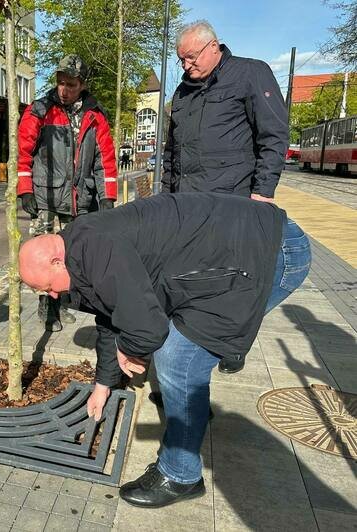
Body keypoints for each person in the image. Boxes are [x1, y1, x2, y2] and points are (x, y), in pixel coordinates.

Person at [18, 193, 310, 508]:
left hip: (270, 252)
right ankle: (192, 406)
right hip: (235, 249)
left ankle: (181, 476)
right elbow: (111, 316)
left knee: (177, 358)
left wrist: (126, 349)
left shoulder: (98, 252)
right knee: (180, 357)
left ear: (55, 260)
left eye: (47, 287)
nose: (51, 295)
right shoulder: (80, 250)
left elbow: (148, 330)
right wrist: (102, 385)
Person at [162, 20, 289, 373]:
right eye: (181, 60)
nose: (186, 65)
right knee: (189, 288)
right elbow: (172, 152)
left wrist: (262, 194)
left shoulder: (251, 74)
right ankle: (186, 374)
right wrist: (165, 200)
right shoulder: (183, 92)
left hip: (231, 209)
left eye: (190, 57)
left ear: (212, 46)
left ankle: (229, 348)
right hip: (189, 210)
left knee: (233, 287)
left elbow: (274, 136)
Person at [17, 54, 118, 332]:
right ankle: (46, 306)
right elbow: (22, 152)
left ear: (82, 85)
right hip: (46, 198)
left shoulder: (95, 116)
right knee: (42, 253)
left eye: (70, 84)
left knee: (71, 254)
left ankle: (62, 302)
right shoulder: (40, 110)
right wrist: (25, 188)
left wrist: (107, 197)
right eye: (60, 82)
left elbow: (104, 160)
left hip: (79, 199)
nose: (63, 89)